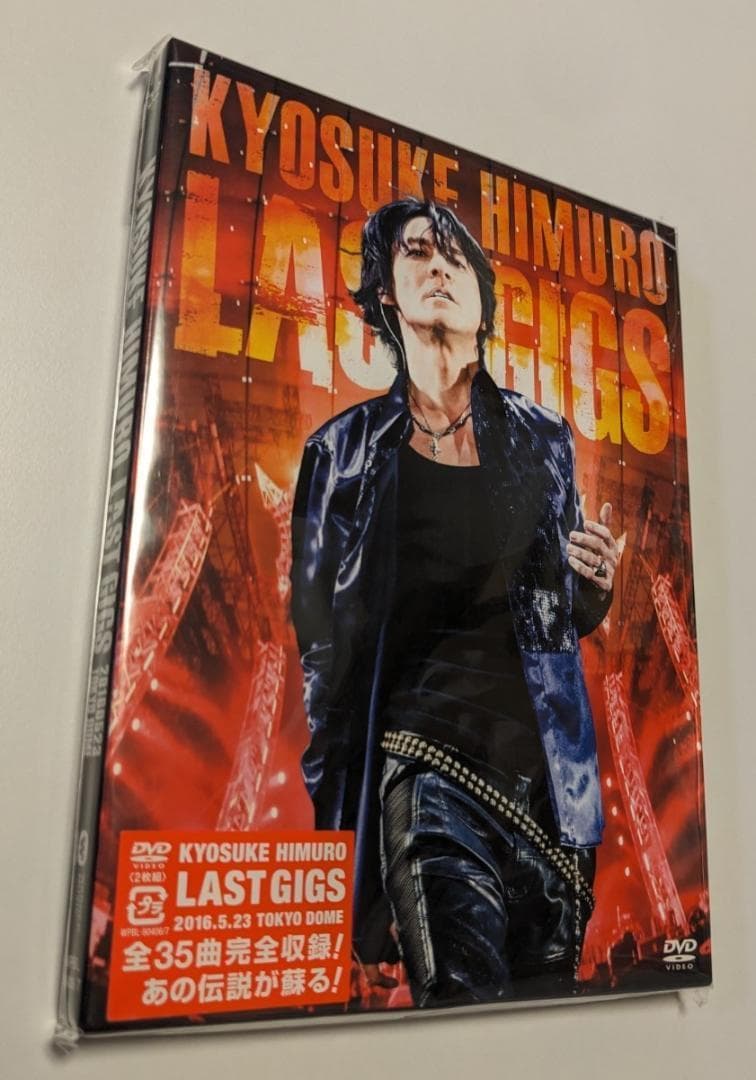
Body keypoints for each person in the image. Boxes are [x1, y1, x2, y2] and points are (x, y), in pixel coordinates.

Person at [290, 198, 618, 1007]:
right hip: (426, 770)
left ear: (483, 298)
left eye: (455, 255)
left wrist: (593, 588)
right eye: (416, 252)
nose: (438, 266)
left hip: (548, 795)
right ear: (386, 292)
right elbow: (322, 656)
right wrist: (349, 850)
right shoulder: (339, 455)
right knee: (463, 1006)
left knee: (545, 1018)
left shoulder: (544, 440)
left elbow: (554, 619)